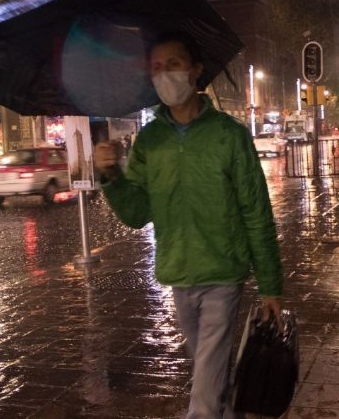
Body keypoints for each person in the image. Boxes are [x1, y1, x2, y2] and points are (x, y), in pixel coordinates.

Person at [93, 31, 283, 419]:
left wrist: (270, 286)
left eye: (173, 65)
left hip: (224, 269)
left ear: (196, 71)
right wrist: (110, 174)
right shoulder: (150, 141)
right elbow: (136, 212)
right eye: (157, 69)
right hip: (179, 273)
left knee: (208, 367)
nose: (164, 75)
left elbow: (256, 210)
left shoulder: (229, 136)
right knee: (208, 366)